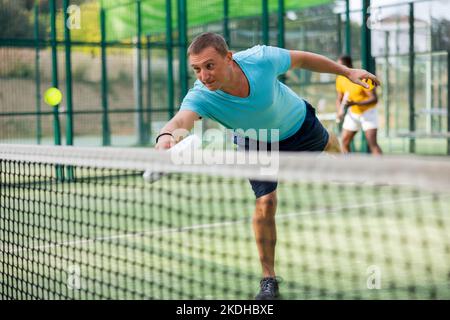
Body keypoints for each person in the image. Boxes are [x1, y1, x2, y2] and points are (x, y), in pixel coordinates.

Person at [155, 32, 379, 299]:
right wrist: (165, 136)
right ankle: (268, 279)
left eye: (209, 65)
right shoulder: (201, 96)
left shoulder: (259, 59)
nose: (204, 75)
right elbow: (181, 120)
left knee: (329, 144)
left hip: (298, 123)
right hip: (256, 141)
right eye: (197, 69)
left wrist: (346, 72)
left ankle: (341, 159)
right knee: (266, 202)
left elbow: (303, 59)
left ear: (229, 58)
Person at [335, 55, 383, 154]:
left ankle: (383, 168)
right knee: (344, 142)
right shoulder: (340, 79)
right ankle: (349, 167)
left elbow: (374, 99)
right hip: (353, 112)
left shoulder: (362, 77)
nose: (338, 68)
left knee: (372, 143)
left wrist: (355, 103)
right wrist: (339, 110)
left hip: (368, 112)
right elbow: (339, 98)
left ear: (348, 65)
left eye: (340, 65)